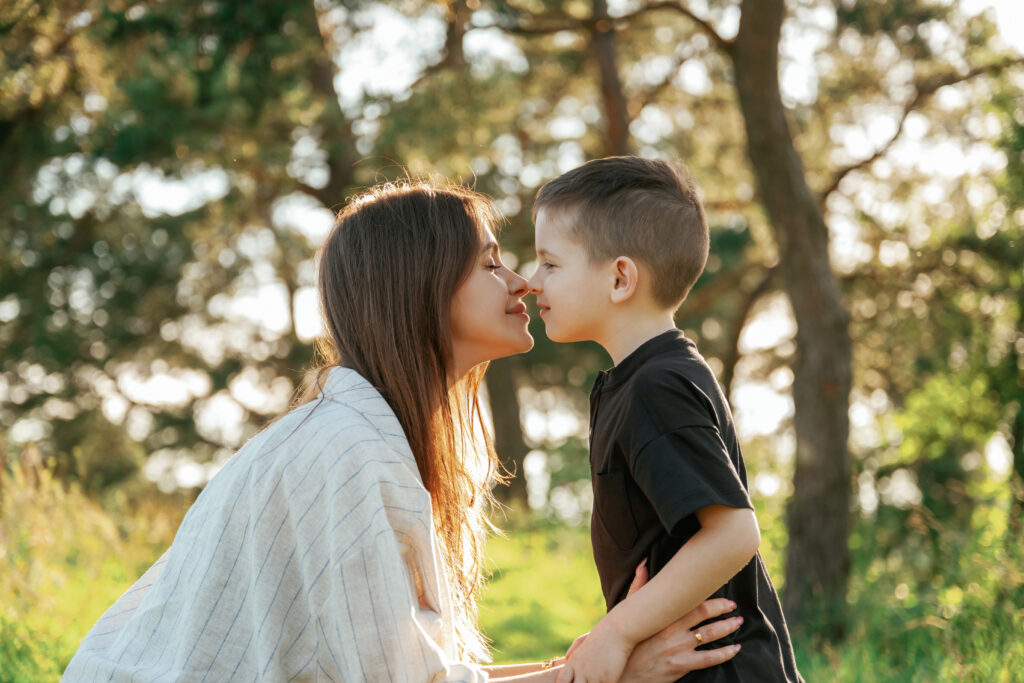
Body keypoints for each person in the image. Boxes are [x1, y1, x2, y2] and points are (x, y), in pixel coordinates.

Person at [63, 179, 742, 682]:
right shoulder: (348, 452)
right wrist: (613, 669)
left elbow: (422, 673)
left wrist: (591, 659)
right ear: (422, 287)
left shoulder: (364, 433)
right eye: (490, 262)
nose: (522, 282)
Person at [526, 157, 804, 683]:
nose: (531, 280)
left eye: (551, 264)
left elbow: (734, 533)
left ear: (620, 278)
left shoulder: (658, 386)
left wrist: (617, 633)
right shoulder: (637, 382)